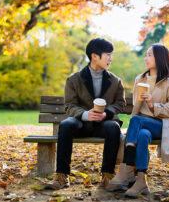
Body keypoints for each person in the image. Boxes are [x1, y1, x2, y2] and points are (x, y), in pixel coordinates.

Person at [44, 38, 126, 190]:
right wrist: (85, 114)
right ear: (94, 56)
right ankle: (62, 176)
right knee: (66, 125)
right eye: (107, 54)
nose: (110, 58)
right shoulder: (73, 79)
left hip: (104, 123)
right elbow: (69, 105)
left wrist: (107, 113)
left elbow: (120, 104)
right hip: (81, 122)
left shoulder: (116, 81)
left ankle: (108, 177)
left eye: (111, 55)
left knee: (114, 127)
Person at [109, 44, 169, 197]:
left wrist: (153, 104)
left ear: (160, 58)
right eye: (145, 55)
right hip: (141, 125)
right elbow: (136, 107)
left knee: (138, 121)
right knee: (142, 135)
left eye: (149, 55)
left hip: (162, 125)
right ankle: (140, 181)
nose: (146, 58)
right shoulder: (140, 79)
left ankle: (126, 168)